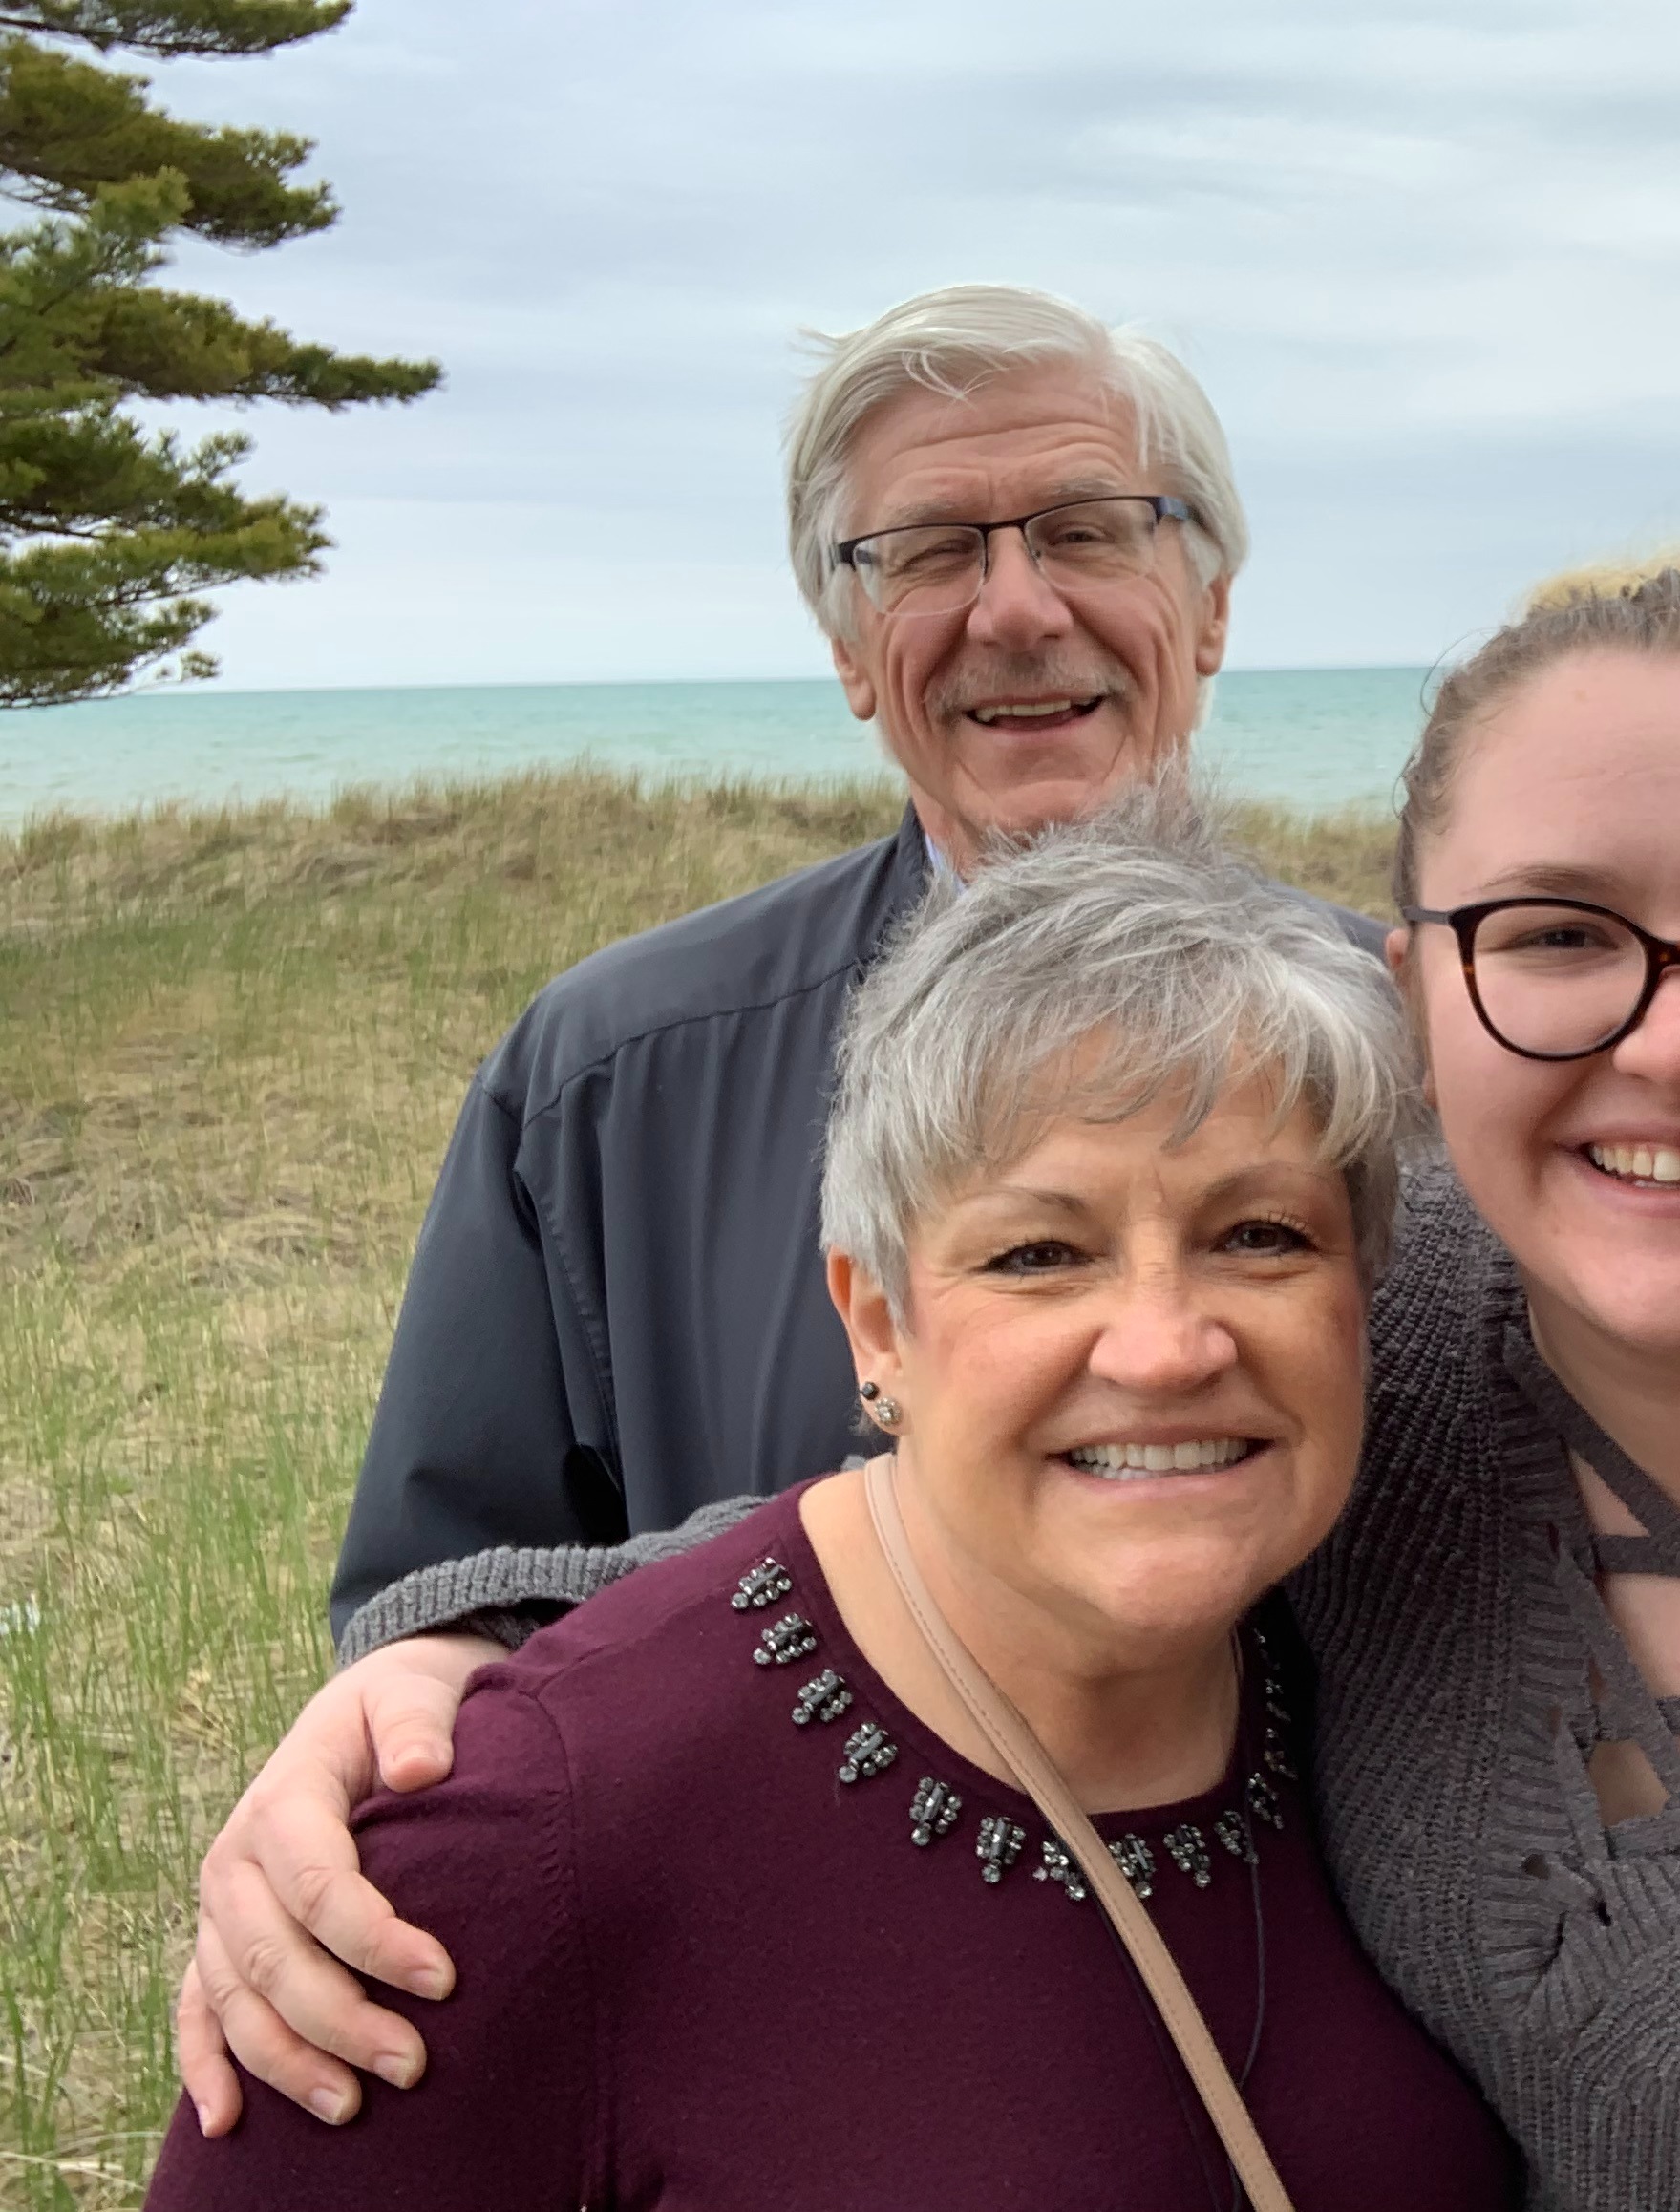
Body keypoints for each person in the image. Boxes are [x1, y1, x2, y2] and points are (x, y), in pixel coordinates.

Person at [183, 568, 1680, 2207]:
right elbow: (979, 1495)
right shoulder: (1381, 1318)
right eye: (1556, 933)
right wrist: (457, 1660)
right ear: (1419, 999)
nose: (1676, 1043)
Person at [181, 280, 1372, 2125]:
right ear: (847, 645)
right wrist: (400, 1718)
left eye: (1085, 529)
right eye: (929, 552)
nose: (1016, 608)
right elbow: (453, 1591)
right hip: (766, 2063)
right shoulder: (609, 1070)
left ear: (1210, 601)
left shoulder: (1417, 1062)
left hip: (1322, 2045)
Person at [143, 802, 1516, 2208]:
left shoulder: (1393, 1666)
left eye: (1261, 1236)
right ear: (875, 1326)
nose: (1166, 1348)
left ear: (1367, 1295)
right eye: (1041, 1253)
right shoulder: (523, 1833)